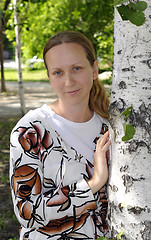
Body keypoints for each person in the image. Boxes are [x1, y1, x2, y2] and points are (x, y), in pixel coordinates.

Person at [10, 31, 111, 240]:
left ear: (94, 70)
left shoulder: (111, 128)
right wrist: (93, 183)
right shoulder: (31, 132)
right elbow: (26, 212)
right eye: (58, 72)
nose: (68, 81)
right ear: (49, 77)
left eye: (76, 68)